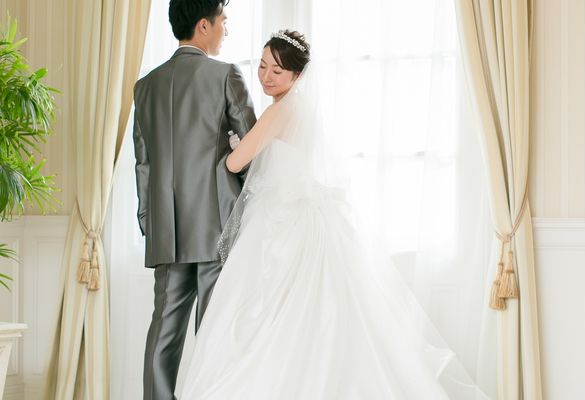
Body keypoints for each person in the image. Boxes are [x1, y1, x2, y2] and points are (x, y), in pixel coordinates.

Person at [179, 30, 488, 400]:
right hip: (307, 217)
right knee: (314, 320)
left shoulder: (278, 111)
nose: (265, 76)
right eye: (261, 66)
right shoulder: (304, 109)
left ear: (297, 75)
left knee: (270, 318)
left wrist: (232, 143)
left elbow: (235, 163)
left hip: (281, 222)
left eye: (277, 70)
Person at [132, 1, 256, 399]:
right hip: (218, 225)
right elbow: (252, 149)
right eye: (223, 22)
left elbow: (143, 164)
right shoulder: (224, 75)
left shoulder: (145, 86)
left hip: (167, 230)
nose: (225, 31)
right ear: (204, 25)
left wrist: (150, 222)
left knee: (163, 331)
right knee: (215, 332)